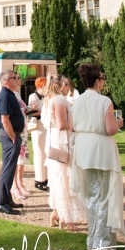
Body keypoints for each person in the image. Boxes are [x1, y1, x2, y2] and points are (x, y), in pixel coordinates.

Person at [70, 63, 125, 250]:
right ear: (97, 81)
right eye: (102, 78)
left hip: (84, 150)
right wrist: (118, 123)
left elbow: (71, 126)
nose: (103, 82)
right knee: (104, 197)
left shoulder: (76, 101)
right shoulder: (104, 101)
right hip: (101, 150)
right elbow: (110, 129)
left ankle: (93, 240)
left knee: (92, 197)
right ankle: (101, 243)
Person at [43, 74, 86, 231]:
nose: (68, 87)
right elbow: (61, 124)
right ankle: (66, 218)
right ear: (60, 85)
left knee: (59, 179)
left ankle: (56, 213)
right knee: (65, 181)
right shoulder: (59, 100)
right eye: (66, 84)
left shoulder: (51, 99)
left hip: (55, 142)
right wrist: (78, 123)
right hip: (62, 144)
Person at [0, 70, 25, 215]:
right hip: (9, 136)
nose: (17, 80)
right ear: (7, 80)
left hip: (12, 135)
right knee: (7, 169)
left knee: (11, 168)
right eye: (15, 78)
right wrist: (13, 137)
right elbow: (4, 119)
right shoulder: (5, 96)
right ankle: (2, 202)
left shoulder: (10, 94)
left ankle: (7, 198)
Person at [12, 75, 32, 202]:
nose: (19, 80)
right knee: (16, 157)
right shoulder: (12, 95)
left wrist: (31, 108)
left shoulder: (18, 94)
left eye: (19, 78)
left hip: (23, 128)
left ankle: (20, 183)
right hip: (17, 129)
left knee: (22, 158)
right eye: (17, 78)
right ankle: (14, 185)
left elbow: (23, 110)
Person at [28, 77, 48, 191]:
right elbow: (32, 111)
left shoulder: (45, 97)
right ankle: (39, 178)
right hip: (38, 125)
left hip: (45, 126)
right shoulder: (33, 96)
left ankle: (46, 176)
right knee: (39, 152)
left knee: (45, 152)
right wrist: (43, 112)